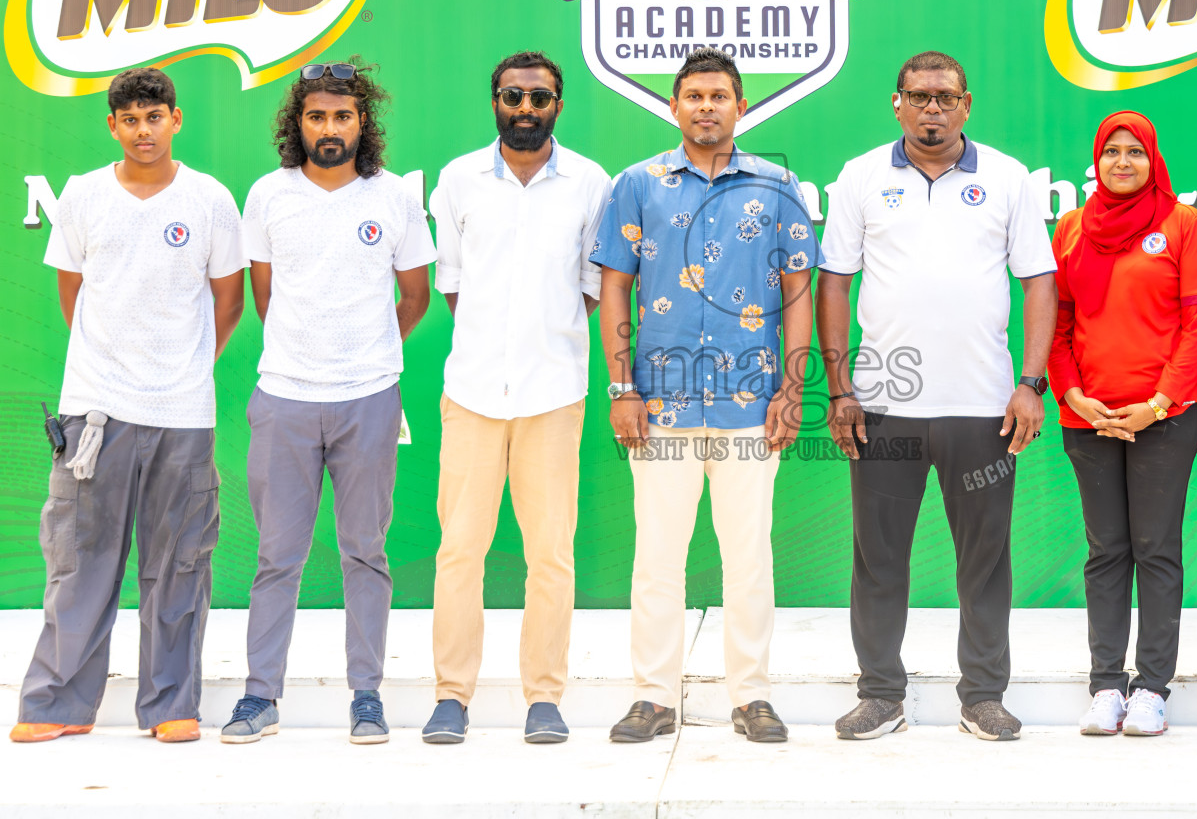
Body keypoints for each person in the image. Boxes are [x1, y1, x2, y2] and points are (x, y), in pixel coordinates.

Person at [817, 50, 1057, 742]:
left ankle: (983, 694)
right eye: (919, 97)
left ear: (966, 103)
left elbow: (1039, 281)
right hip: (884, 406)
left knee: (984, 557)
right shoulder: (861, 177)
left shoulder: (1008, 179)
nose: (932, 108)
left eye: (945, 97)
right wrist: (840, 391)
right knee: (878, 556)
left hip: (982, 408)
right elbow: (835, 280)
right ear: (897, 103)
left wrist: (1031, 384)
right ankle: (880, 694)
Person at [591, 46, 819, 744]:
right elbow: (614, 288)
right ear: (674, 106)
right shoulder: (638, 184)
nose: (706, 107)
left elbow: (799, 287)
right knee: (656, 558)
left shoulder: (779, 186)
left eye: (719, 96)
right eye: (694, 96)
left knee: (748, 558)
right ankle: (653, 697)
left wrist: (792, 387)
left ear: (741, 105)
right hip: (660, 407)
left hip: (750, 405)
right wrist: (622, 386)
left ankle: (751, 696)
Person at [11, 68, 246, 744]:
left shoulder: (208, 200)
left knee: (180, 562)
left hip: (182, 411)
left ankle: (171, 705)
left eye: (155, 116)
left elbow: (226, 300)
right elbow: (74, 292)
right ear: (112, 126)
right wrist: (103, 369)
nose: (144, 130)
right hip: (95, 411)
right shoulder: (84, 195)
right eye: (130, 120)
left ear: (176, 119)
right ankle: (56, 704)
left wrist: (186, 367)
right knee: (79, 560)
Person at [220, 60, 434, 747]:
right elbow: (265, 296)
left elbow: (416, 296)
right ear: (299, 123)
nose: (330, 128)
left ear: (362, 121)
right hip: (283, 398)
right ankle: (260, 696)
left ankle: (366, 696)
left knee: (364, 553)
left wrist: (368, 355)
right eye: (318, 116)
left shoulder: (394, 197)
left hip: (368, 400)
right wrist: (307, 352)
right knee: (277, 556)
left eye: (343, 116)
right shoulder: (267, 195)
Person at [421, 51, 611, 745]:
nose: (525, 109)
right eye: (512, 96)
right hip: (471, 393)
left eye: (540, 98)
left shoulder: (591, 183)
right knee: (459, 552)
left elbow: (592, 289)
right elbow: (453, 285)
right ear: (495, 100)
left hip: (553, 395)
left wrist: (540, 344)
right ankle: (451, 696)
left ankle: (544, 698)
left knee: (551, 556)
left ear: (559, 104)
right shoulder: (458, 180)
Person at [1049, 110, 1197, 738]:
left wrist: (1157, 403)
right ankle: (1104, 686)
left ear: (1154, 160)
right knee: (1106, 551)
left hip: (1164, 418)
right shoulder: (1070, 229)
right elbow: (1057, 325)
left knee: (1156, 550)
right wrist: (1073, 393)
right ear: (1097, 161)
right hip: (1085, 415)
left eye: (1135, 152)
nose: (1122, 163)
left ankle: (1150, 688)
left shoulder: (1182, 224)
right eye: (1112, 152)